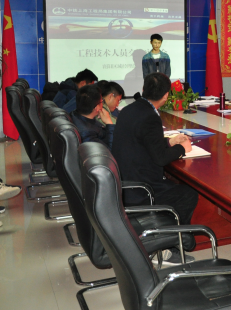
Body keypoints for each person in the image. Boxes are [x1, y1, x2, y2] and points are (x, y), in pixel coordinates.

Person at [112, 73, 197, 263]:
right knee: (188, 194)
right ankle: (168, 246)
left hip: (124, 179)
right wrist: (182, 149)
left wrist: (169, 141)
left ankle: (170, 239)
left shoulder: (129, 109)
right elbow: (160, 159)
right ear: (166, 96)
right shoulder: (150, 116)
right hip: (140, 188)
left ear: (143, 89)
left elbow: (143, 141)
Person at [70, 84, 115, 149]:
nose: (103, 104)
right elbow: (110, 150)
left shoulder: (75, 114)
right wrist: (109, 123)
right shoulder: (87, 133)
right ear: (97, 107)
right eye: (102, 101)